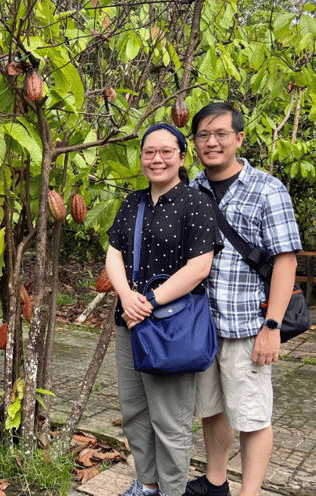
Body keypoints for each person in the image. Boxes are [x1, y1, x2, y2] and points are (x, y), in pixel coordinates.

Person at [184, 103, 300, 496]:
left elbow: (285, 261)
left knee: (251, 416)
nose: (211, 142)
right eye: (203, 135)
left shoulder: (268, 189)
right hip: (201, 326)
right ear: (195, 141)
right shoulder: (191, 189)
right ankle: (216, 482)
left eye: (220, 133)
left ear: (239, 138)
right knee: (212, 409)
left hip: (248, 326)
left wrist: (273, 327)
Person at [106, 123, 222, 496]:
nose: (157, 159)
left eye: (166, 152)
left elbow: (199, 267)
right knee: (136, 415)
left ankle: (173, 492)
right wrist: (126, 297)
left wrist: (150, 302)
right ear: (141, 157)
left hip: (172, 328)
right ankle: (148, 485)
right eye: (149, 152)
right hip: (130, 323)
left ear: (182, 157)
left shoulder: (196, 203)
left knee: (170, 423)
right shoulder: (132, 203)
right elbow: (114, 253)